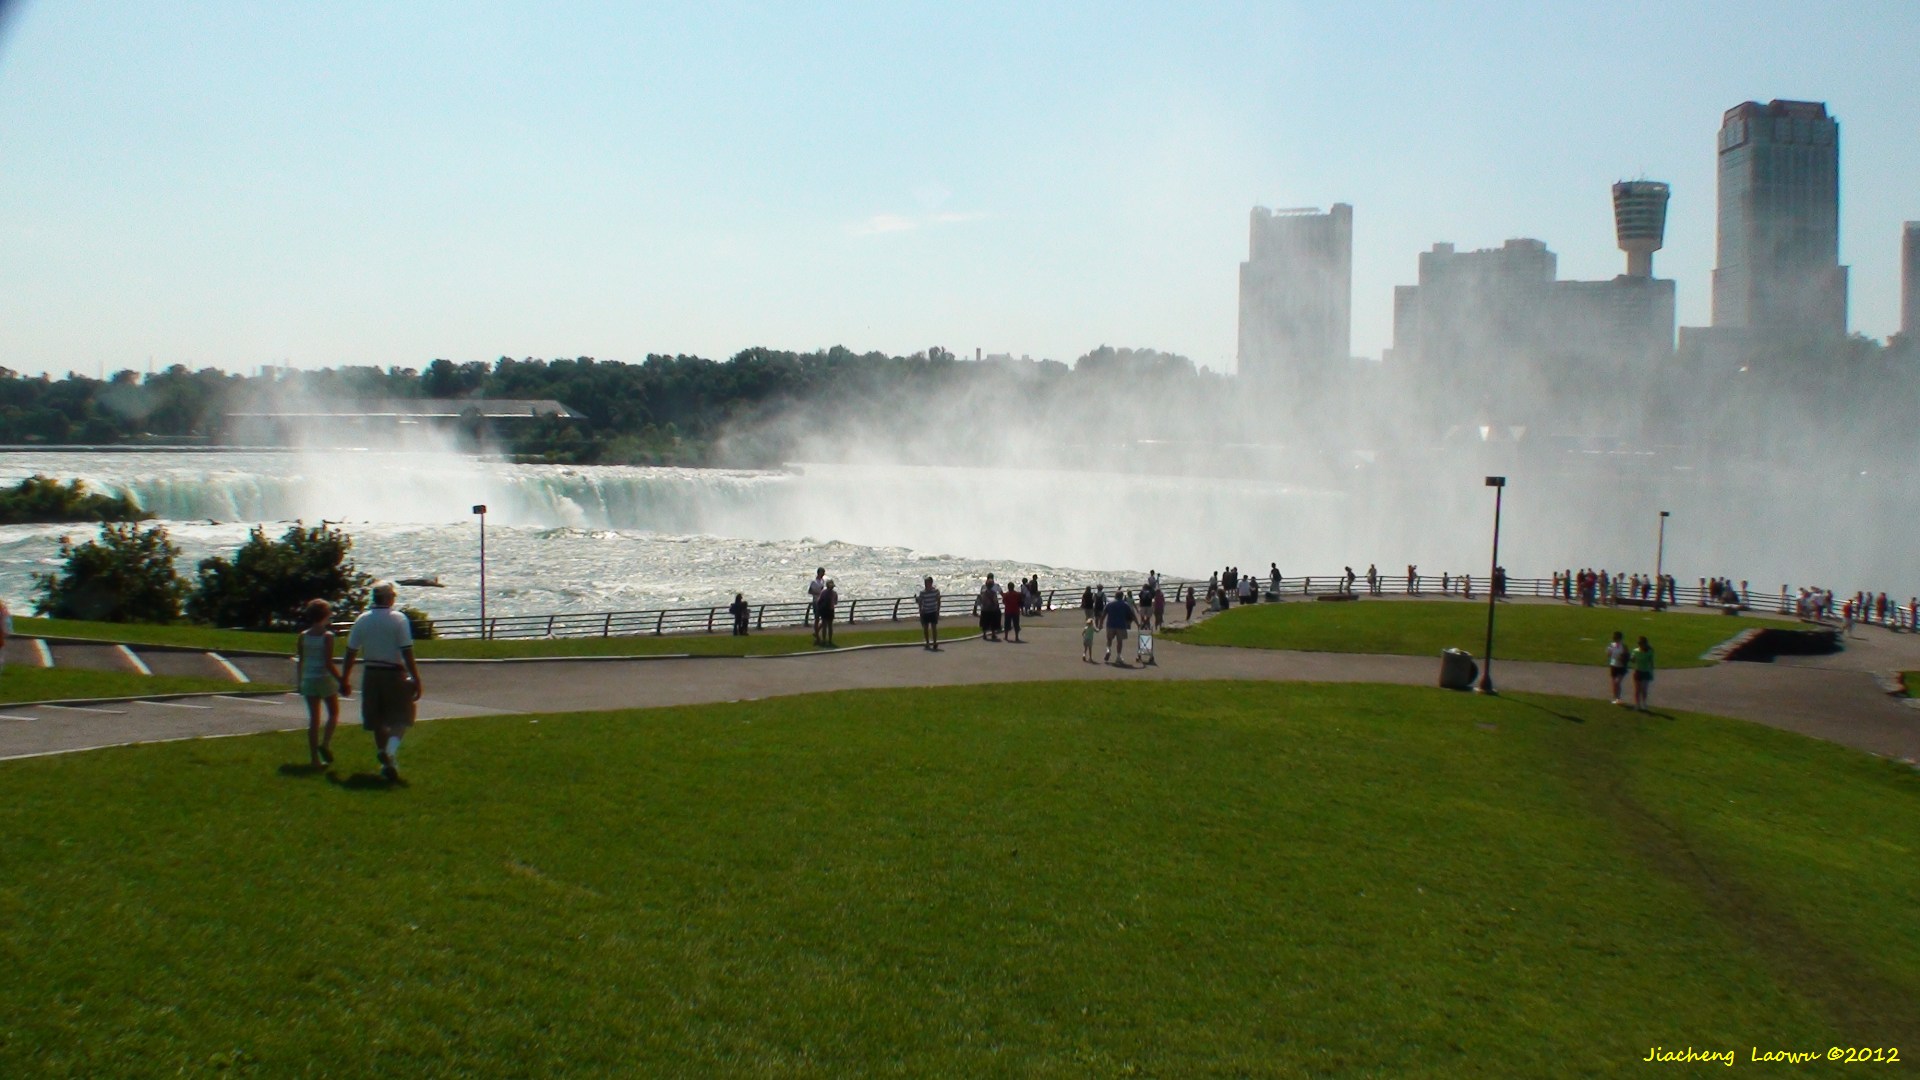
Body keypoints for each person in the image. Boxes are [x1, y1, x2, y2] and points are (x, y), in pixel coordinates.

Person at [339, 583, 423, 783]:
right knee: (401, 717)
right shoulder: (398, 619)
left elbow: (351, 652)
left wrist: (345, 678)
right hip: (393, 673)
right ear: (387, 598)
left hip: (371, 673)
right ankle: (391, 752)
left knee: (377, 720)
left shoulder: (362, 620)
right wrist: (416, 678)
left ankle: (387, 764)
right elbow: (406, 651)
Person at [295, 599, 343, 767]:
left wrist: (299, 682)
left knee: (314, 720)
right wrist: (341, 680)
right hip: (324, 678)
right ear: (326, 615)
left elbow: (300, 660)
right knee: (333, 713)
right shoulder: (327, 636)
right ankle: (326, 743)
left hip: (308, 678)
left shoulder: (303, 636)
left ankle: (314, 759)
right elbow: (328, 663)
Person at [1102, 588, 1136, 665]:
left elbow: (1103, 614)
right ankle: (1118, 656)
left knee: (1109, 639)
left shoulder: (1109, 604)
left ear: (1115, 596)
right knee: (1119, 641)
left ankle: (1108, 650)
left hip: (1110, 624)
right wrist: (1138, 624)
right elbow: (1132, 615)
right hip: (1121, 625)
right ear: (1122, 597)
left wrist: (1100, 624)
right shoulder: (1125, 605)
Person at [1629, 635, 1655, 712]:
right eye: (1639, 643)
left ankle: (1644, 703)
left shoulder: (1649, 652)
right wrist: (1630, 658)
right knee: (1637, 690)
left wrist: (1651, 672)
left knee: (1644, 689)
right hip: (1638, 671)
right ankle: (1637, 704)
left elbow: (1651, 663)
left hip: (1646, 672)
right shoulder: (1635, 651)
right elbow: (1633, 660)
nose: (1639, 645)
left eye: (1641, 643)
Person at [916, 576, 942, 650]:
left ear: (931, 583)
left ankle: (934, 642)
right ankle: (927, 642)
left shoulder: (936, 591)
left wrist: (938, 611)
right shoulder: (922, 593)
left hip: (933, 611)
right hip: (925, 612)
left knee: (934, 628)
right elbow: (920, 603)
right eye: (925, 583)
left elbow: (938, 601)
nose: (926, 584)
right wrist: (920, 613)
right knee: (925, 628)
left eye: (927, 583)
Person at [1605, 630, 1628, 706]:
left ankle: (1618, 698)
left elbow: (1627, 656)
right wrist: (1609, 652)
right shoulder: (1611, 645)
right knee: (1614, 683)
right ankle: (1616, 698)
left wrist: (1622, 658)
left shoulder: (1623, 646)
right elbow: (1609, 655)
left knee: (1617, 682)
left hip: (1621, 666)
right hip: (1614, 665)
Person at [977, 574, 1003, 642]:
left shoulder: (983, 591)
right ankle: (993, 633)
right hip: (992, 609)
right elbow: (995, 601)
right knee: (993, 622)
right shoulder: (993, 593)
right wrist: (996, 606)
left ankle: (984, 634)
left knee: (984, 622)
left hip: (984, 609)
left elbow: (981, 599)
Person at [815, 579, 838, 645]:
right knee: (830, 626)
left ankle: (824, 640)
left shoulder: (823, 592)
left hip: (824, 610)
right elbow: (836, 602)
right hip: (831, 610)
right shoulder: (834, 593)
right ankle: (830, 640)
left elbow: (819, 601)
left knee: (824, 625)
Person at [1001, 577, 1023, 643]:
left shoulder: (1006, 594)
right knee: (1016, 624)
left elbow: (1003, 601)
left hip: (1008, 611)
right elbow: (1020, 601)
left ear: (1008, 587)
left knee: (1007, 624)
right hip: (1016, 611)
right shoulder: (1017, 594)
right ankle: (1016, 637)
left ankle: (1006, 636)